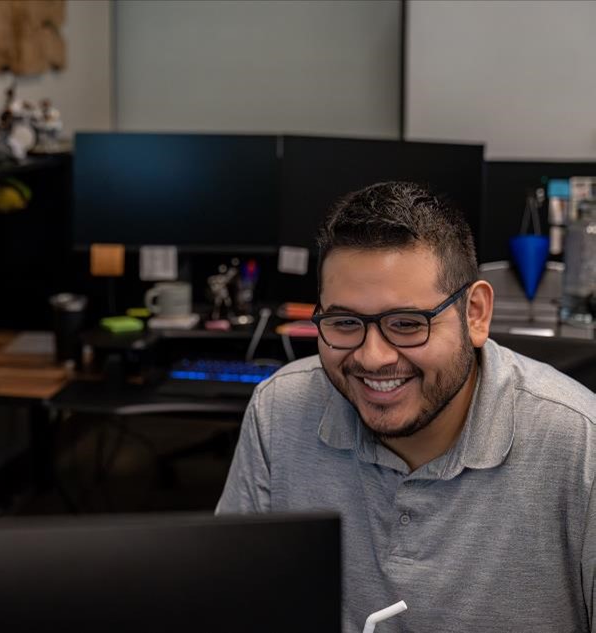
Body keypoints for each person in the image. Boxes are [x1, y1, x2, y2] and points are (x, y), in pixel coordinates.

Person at [217, 182, 596, 631]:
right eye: (344, 322)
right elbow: (235, 604)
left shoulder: (580, 446)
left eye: (406, 324)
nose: (372, 357)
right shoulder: (279, 410)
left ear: (474, 314)